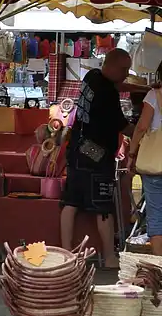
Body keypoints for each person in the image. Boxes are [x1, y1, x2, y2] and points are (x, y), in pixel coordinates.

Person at [60, 49, 148, 268]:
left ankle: (65, 253)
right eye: (124, 69)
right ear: (112, 65)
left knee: (71, 202)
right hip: (96, 155)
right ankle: (109, 257)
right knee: (103, 206)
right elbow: (124, 127)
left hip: (77, 148)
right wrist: (144, 133)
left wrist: (144, 89)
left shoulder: (92, 76)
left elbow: (119, 86)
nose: (126, 74)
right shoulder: (107, 93)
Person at [127, 62, 162, 256]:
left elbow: (141, 127)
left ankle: (159, 263)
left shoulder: (154, 96)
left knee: (156, 215)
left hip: (155, 165)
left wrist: (132, 154)